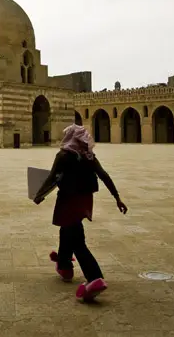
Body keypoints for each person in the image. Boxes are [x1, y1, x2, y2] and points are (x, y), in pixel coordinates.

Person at [34, 124, 128, 302]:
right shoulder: (88, 156)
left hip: (68, 200)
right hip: (84, 200)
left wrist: (39, 195)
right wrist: (117, 198)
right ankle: (64, 264)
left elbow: (52, 177)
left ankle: (95, 278)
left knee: (77, 239)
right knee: (67, 229)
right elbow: (103, 175)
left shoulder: (63, 155)